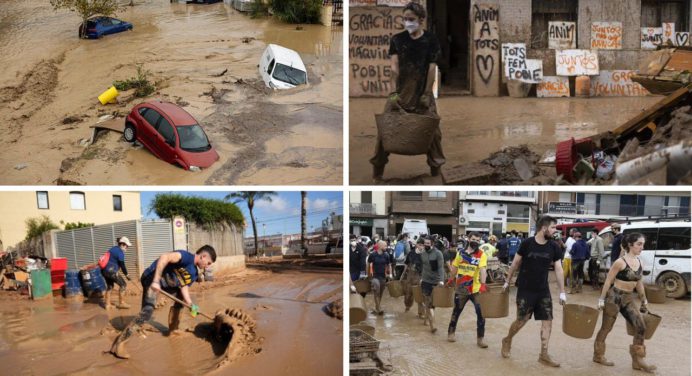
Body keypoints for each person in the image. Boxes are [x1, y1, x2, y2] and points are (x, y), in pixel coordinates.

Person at [370, 1, 445, 180]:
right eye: (405, 19)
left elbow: (432, 69)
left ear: (421, 20)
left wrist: (427, 94)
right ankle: (377, 174)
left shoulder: (431, 40)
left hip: (422, 93)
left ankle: (436, 172)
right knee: (384, 131)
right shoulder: (397, 40)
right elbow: (394, 68)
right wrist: (393, 93)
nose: (407, 22)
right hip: (401, 93)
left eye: (411, 19)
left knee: (434, 133)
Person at [109, 245, 217, 359]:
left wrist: (190, 304)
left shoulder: (194, 273)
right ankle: (119, 343)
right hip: (151, 278)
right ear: (203, 256)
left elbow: (183, 286)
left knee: (180, 300)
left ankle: (173, 330)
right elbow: (164, 257)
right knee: (147, 311)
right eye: (208, 263)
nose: (207, 266)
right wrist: (156, 281)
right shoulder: (185, 257)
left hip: (165, 285)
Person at [501, 215, 566, 368]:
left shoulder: (554, 246)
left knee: (548, 321)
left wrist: (562, 291)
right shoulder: (527, 243)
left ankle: (544, 354)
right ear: (544, 228)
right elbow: (516, 263)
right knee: (521, 321)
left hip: (543, 290)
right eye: (552, 228)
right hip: (525, 289)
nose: (554, 231)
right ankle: (507, 339)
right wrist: (506, 281)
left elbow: (558, 268)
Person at [593, 233, 656, 373]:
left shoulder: (640, 262)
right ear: (630, 245)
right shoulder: (620, 262)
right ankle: (598, 355)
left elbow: (638, 282)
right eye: (639, 244)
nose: (642, 247)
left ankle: (638, 360)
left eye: (643, 244)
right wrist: (601, 299)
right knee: (606, 328)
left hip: (628, 299)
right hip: (614, 297)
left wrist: (644, 299)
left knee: (641, 327)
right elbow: (608, 281)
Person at [447, 232, 488, 348]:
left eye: (478, 240)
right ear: (468, 239)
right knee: (456, 312)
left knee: (481, 314)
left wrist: (483, 284)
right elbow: (455, 267)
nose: (476, 241)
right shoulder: (461, 253)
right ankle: (451, 333)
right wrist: (450, 279)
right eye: (474, 239)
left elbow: (483, 270)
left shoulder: (481, 254)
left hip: (475, 289)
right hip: (461, 289)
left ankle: (480, 339)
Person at [420, 236, 445, 333]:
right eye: (425, 243)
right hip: (425, 281)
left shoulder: (438, 254)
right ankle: (432, 325)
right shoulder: (422, 254)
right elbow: (424, 267)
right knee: (428, 301)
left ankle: (427, 319)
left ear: (432, 244)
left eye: (427, 243)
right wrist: (421, 278)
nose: (425, 245)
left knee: (433, 303)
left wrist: (441, 280)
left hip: (436, 281)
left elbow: (441, 268)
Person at [101, 237, 132, 310]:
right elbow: (122, 265)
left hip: (104, 271)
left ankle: (107, 305)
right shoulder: (120, 252)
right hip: (111, 271)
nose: (127, 248)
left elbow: (112, 260)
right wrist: (127, 275)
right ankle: (121, 303)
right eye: (127, 246)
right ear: (122, 244)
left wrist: (117, 269)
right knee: (123, 284)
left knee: (110, 287)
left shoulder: (113, 248)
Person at [402, 237, 425, 317]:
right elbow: (406, 264)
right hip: (410, 276)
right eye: (419, 245)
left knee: (420, 295)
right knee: (408, 294)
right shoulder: (411, 253)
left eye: (423, 245)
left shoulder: (425, 254)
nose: (421, 246)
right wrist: (402, 276)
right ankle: (407, 307)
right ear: (416, 245)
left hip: (421, 276)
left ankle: (420, 313)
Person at [368, 240, 393, 315]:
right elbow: (368, 264)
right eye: (385, 246)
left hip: (383, 277)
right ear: (380, 246)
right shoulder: (373, 255)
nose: (386, 247)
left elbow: (389, 265)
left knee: (381, 293)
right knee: (376, 290)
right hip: (375, 276)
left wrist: (390, 274)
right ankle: (379, 308)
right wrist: (368, 274)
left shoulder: (386, 255)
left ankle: (377, 307)